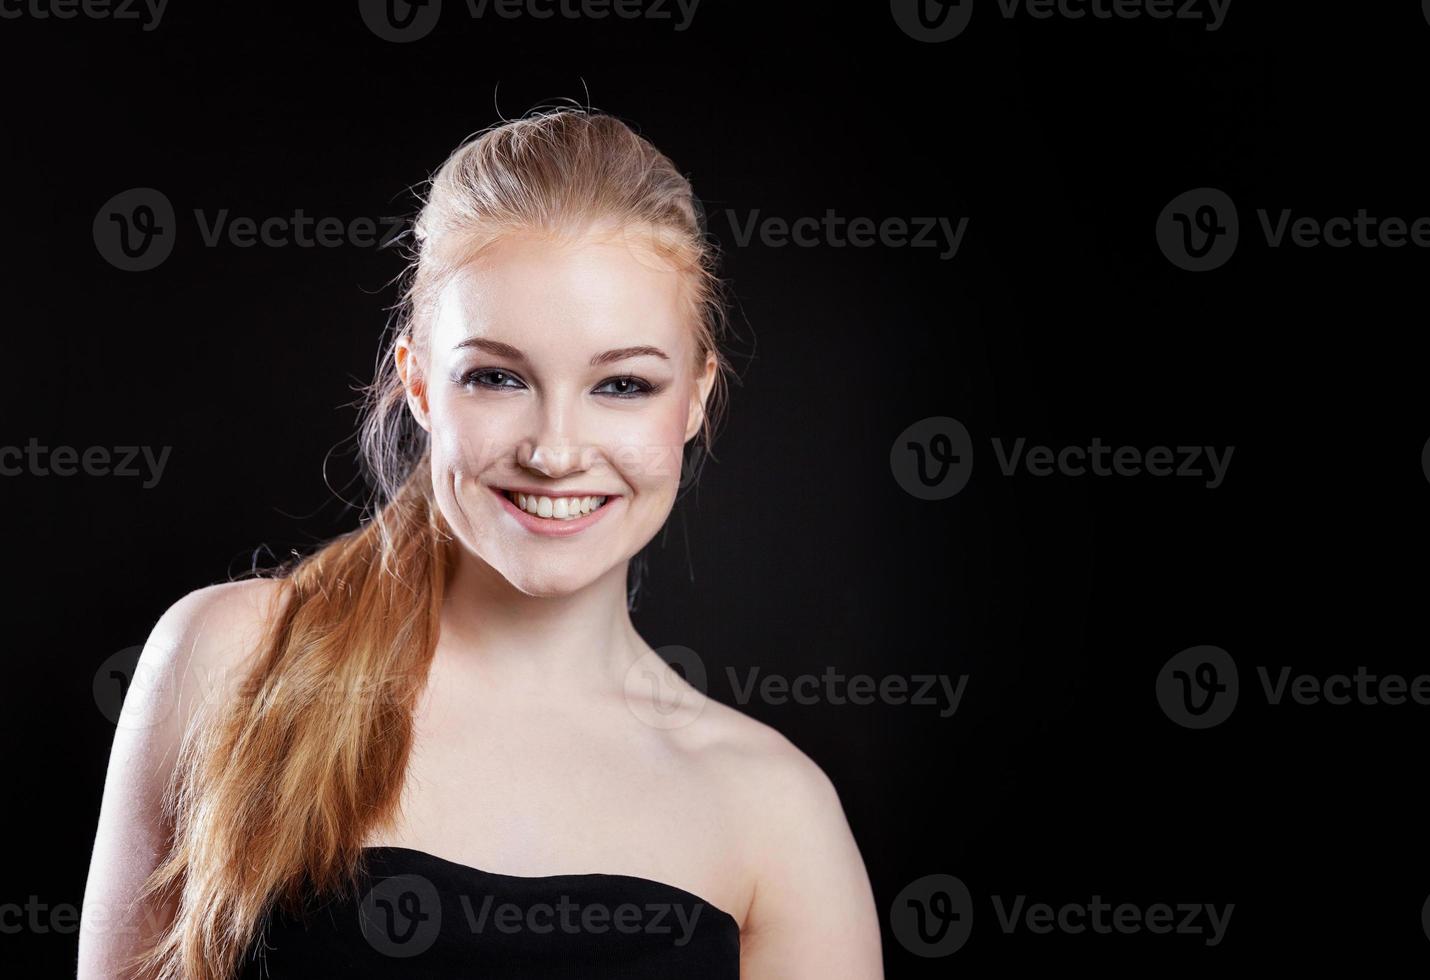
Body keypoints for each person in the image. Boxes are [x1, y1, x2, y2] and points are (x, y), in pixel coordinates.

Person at [79, 108, 884, 978]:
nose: (555, 451)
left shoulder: (778, 811)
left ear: (692, 398)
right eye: (497, 377)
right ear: (419, 382)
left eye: (623, 384)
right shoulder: (230, 661)